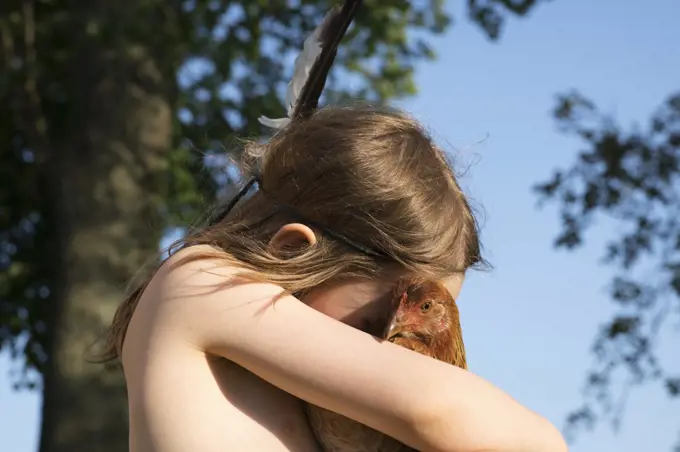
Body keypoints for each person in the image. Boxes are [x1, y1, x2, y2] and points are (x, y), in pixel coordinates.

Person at [101, 106, 568, 452]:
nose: (388, 355)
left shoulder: (295, 388)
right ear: (292, 251)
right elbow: (522, 439)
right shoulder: (201, 284)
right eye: (371, 326)